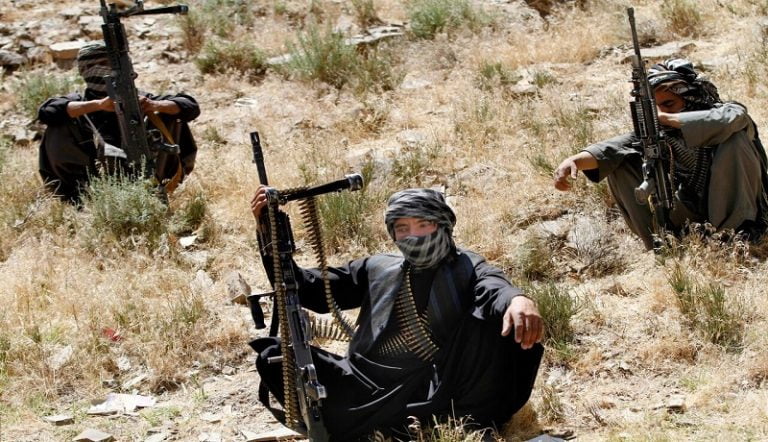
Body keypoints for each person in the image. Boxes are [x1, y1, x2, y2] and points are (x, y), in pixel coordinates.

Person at [249, 187, 544, 441]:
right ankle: (377, 426)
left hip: (437, 391)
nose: (413, 236)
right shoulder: (378, 267)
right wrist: (269, 231)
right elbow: (308, 289)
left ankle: (458, 422)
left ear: (443, 225)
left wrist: (517, 300)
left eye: (423, 224)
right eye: (402, 228)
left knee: (495, 324)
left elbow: (494, 287)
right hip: (366, 388)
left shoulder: (468, 266)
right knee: (275, 357)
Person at [553, 59, 768, 250]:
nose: (660, 112)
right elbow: (612, 148)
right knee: (618, 160)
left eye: (668, 103)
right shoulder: (657, 133)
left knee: (734, 140)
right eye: (654, 107)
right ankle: (662, 245)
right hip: (688, 214)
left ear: (690, 98)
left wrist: (664, 118)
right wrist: (573, 161)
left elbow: (731, 120)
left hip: (737, 213)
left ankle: (737, 236)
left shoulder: (729, 111)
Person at [37, 42, 200, 203]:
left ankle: (159, 187)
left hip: (148, 175)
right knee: (59, 122)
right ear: (83, 70)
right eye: (97, 65)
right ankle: (78, 197)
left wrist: (154, 105)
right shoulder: (80, 102)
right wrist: (98, 105)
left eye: (110, 64)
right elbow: (46, 112)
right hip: (94, 183)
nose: (104, 70)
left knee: (171, 113)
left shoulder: (142, 100)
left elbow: (190, 106)